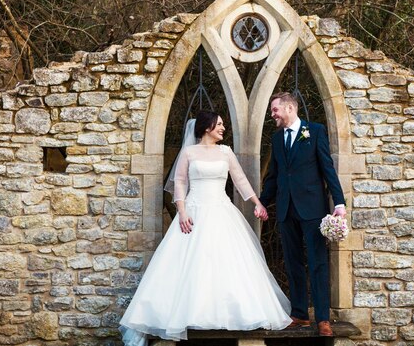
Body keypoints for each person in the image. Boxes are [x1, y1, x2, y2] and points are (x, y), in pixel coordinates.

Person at [120, 111, 291, 346]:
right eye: (219, 124)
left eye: (222, 124)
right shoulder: (189, 153)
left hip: (222, 210)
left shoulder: (226, 152)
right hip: (193, 212)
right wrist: (182, 211)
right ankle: (186, 314)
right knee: (190, 262)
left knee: (226, 262)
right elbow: (180, 182)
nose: (222, 128)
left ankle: (228, 314)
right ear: (206, 127)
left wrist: (257, 203)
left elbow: (240, 179)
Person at [259, 92, 346, 337]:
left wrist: (339, 202)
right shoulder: (277, 140)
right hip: (286, 209)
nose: (272, 114)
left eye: (275, 109)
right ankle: (299, 314)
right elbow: (274, 177)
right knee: (292, 262)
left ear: (289, 108)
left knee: (318, 263)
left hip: (312, 209)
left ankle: (322, 319)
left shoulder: (314, 131)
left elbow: (328, 169)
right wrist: (263, 202)